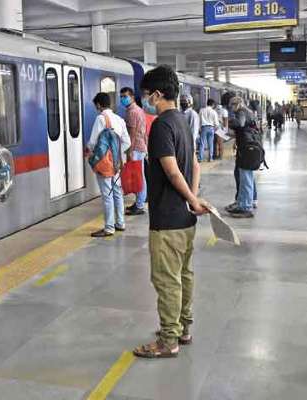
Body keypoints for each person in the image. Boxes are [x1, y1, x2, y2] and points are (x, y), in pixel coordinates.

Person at [132, 65, 207, 359]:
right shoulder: (183, 120)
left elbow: (173, 172)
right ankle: (183, 329)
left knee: (166, 280)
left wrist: (190, 197)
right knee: (184, 275)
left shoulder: (162, 125)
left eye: (147, 95)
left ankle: (168, 340)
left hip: (167, 219)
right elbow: (195, 165)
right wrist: (193, 200)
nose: (145, 100)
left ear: (158, 94)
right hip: (186, 219)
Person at [86, 93, 131, 238]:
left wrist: (93, 154)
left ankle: (109, 227)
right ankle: (120, 222)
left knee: (107, 194)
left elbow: (93, 142)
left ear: (99, 105)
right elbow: (127, 142)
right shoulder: (119, 119)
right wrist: (116, 154)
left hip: (105, 163)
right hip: (117, 162)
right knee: (117, 191)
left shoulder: (100, 119)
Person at [226, 97, 259, 218]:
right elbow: (244, 128)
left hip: (246, 148)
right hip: (249, 146)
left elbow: (239, 123)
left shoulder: (241, 112)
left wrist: (228, 122)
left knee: (245, 176)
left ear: (239, 104)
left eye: (233, 105)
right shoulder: (249, 112)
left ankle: (245, 207)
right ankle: (246, 201)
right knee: (246, 175)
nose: (231, 108)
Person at [121, 87, 148, 216]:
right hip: (140, 146)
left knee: (139, 177)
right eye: (121, 96)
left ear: (132, 97)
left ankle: (140, 205)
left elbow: (132, 132)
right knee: (139, 175)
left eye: (125, 96)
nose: (122, 99)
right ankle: (139, 202)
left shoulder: (132, 112)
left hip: (135, 147)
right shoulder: (139, 110)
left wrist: (129, 150)